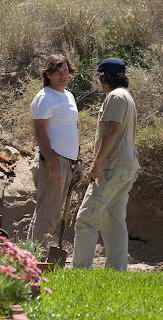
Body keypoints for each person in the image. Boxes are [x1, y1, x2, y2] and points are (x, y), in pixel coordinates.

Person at [73, 57, 139, 271]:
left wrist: (96, 164)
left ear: (104, 76)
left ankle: (80, 271)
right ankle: (116, 272)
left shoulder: (115, 97)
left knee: (86, 218)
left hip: (112, 168)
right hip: (127, 167)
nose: (98, 80)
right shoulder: (126, 96)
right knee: (114, 221)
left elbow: (111, 131)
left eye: (99, 76)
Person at [27, 54, 83, 259]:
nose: (63, 75)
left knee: (46, 214)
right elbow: (40, 132)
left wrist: (77, 160)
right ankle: (34, 263)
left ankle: (30, 259)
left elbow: (70, 129)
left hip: (67, 161)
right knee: (47, 215)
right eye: (58, 72)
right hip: (53, 160)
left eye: (66, 70)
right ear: (48, 74)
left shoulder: (68, 96)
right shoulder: (44, 97)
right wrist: (52, 163)